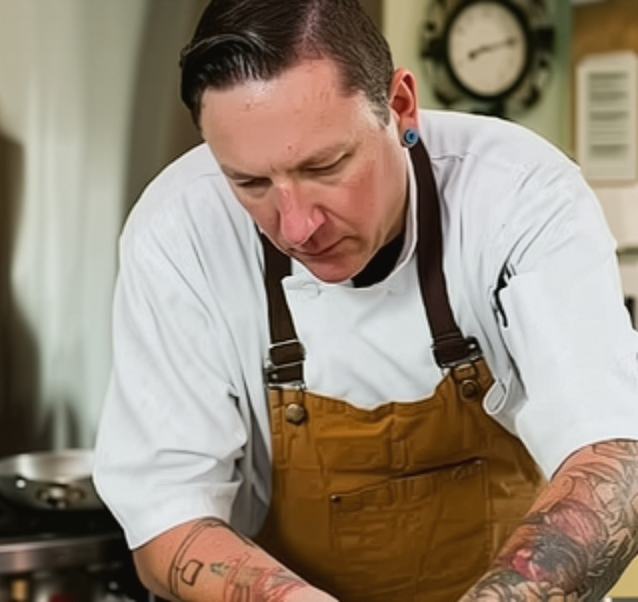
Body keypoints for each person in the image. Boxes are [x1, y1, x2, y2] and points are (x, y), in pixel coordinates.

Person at [92, 0, 638, 600]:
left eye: (325, 166)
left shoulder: (520, 195)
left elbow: (615, 454)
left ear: (400, 106)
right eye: (250, 183)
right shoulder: (178, 230)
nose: (297, 227)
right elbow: (166, 517)